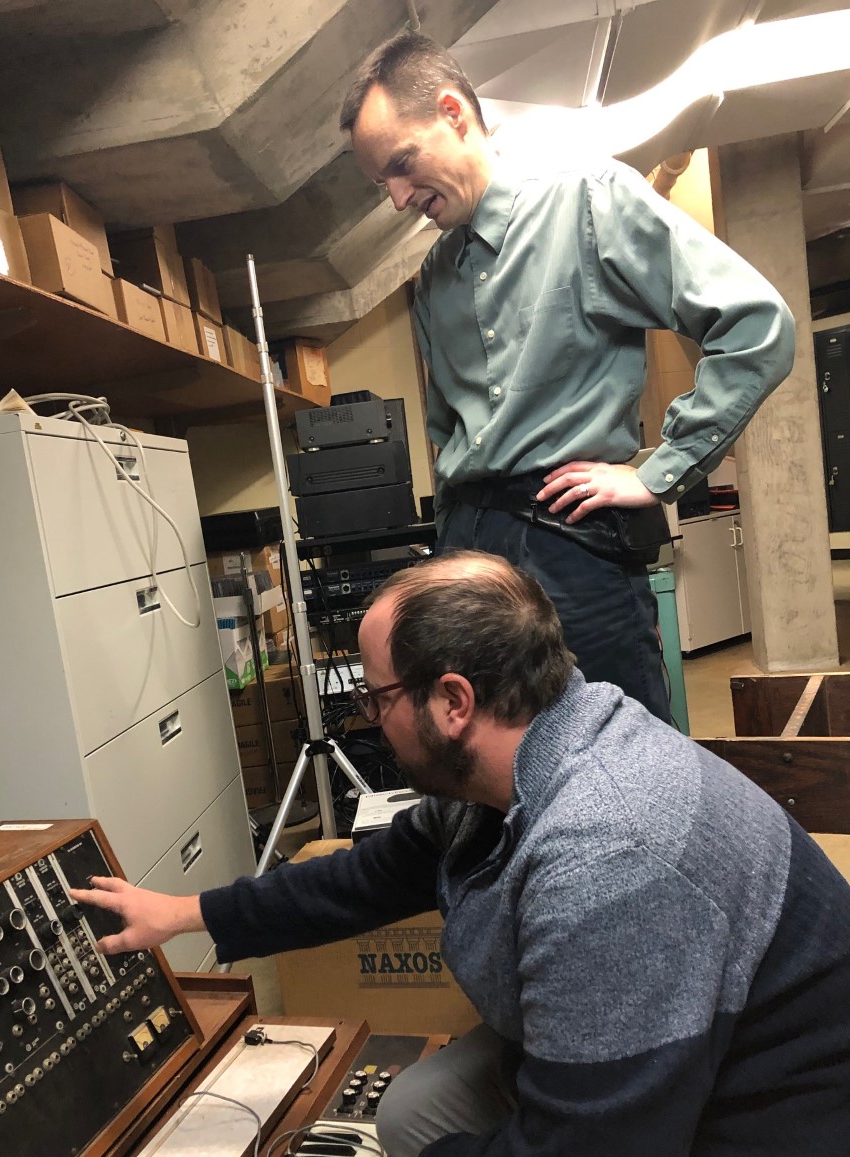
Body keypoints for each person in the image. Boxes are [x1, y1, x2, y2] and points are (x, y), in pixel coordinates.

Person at [72, 551, 850, 1157]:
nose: (368, 718)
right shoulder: (532, 749)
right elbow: (370, 877)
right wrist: (184, 912)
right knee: (410, 1110)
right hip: (685, 1083)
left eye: (376, 697)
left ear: (452, 702)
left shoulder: (609, 854)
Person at [336, 33, 796, 723]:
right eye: (383, 184)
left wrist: (658, 472)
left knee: (625, 773)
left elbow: (757, 326)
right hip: (466, 550)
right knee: (485, 784)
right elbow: (445, 432)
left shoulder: (589, 199)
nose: (398, 198)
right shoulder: (434, 276)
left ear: (454, 113)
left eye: (402, 165)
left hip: (570, 546)